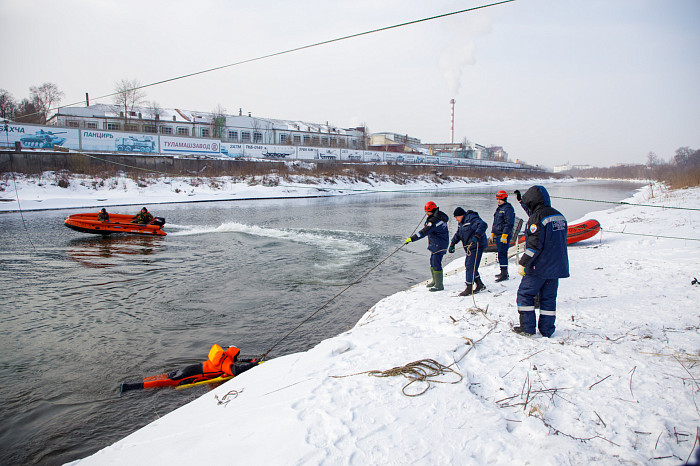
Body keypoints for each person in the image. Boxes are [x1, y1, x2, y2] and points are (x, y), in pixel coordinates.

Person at [513, 186, 569, 337]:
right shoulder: (559, 216)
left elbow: (534, 246)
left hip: (539, 266)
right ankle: (547, 330)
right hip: (556, 266)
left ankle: (527, 328)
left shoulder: (536, 218)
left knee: (525, 294)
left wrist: (523, 263)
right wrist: (521, 202)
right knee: (548, 299)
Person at [120, 344, 259, 392]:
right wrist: (253, 365)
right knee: (164, 382)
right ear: (233, 356)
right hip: (191, 375)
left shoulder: (222, 356)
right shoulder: (226, 364)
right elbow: (235, 371)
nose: (238, 358)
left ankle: (139, 380)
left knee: (165, 376)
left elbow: (236, 362)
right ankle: (129, 387)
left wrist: (249, 360)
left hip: (190, 368)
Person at [404, 201, 450, 292]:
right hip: (438, 243)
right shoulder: (439, 216)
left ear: (431, 210)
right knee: (432, 261)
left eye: (427, 212)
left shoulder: (433, 221)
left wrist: (411, 239)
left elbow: (423, 232)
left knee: (436, 262)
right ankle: (435, 281)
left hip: (439, 244)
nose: (426, 214)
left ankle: (439, 285)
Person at [448, 207, 488, 296]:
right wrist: (452, 244)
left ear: (461, 215)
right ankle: (480, 284)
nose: (456, 219)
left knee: (470, 266)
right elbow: (458, 234)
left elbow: (483, 225)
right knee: (469, 265)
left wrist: (477, 235)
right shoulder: (461, 223)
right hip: (470, 247)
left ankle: (469, 287)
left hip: (477, 245)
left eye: (456, 217)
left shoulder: (472, 218)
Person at [491, 190, 515, 282]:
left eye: (500, 199)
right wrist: (493, 232)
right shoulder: (499, 209)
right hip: (498, 234)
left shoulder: (508, 209)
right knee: (500, 253)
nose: (498, 201)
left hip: (503, 235)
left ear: (504, 199)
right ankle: (502, 271)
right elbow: (495, 222)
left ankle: (504, 273)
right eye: (497, 199)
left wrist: (505, 235)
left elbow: (509, 223)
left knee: (502, 253)